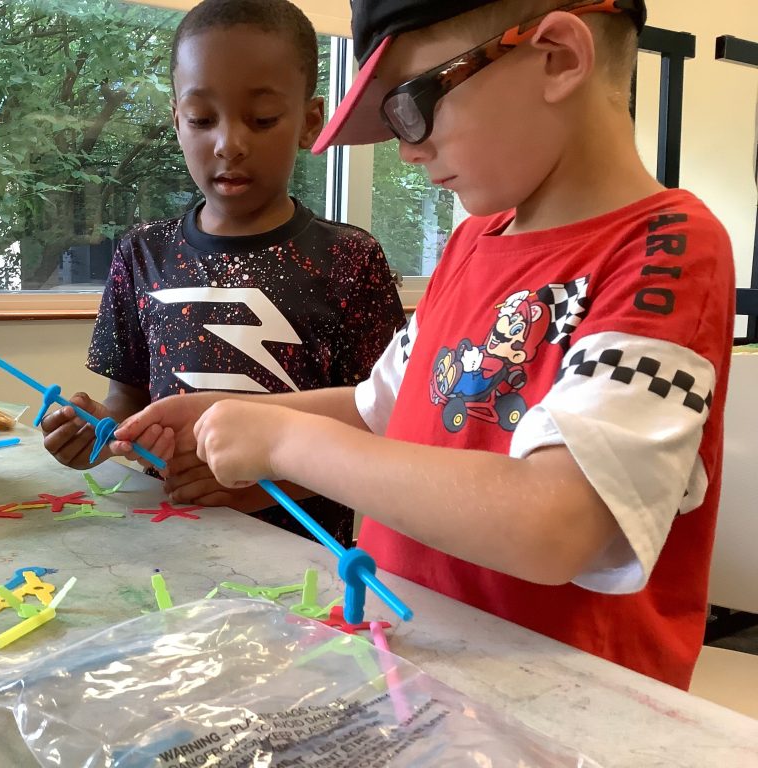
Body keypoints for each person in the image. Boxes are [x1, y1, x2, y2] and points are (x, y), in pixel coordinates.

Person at [113, 0, 735, 690]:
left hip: (561, 701)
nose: (407, 148)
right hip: (416, 668)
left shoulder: (665, 250)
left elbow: (558, 524)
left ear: (557, 57)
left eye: (412, 104)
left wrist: (286, 442)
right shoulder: (475, 242)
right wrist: (220, 413)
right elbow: (382, 407)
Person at [40, 0, 405, 546]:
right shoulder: (142, 252)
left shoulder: (351, 259)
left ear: (309, 122)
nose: (229, 143)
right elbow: (127, 401)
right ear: (176, 121)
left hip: (304, 562)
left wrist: (264, 482)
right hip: (170, 547)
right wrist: (92, 429)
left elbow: (385, 426)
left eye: (261, 120)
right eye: (202, 119)